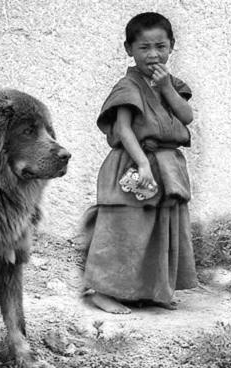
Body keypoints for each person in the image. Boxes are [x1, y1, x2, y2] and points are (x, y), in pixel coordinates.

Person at [82, 12, 198, 314]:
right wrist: (143, 165)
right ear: (128, 49)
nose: (153, 54)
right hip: (132, 165)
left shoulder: (172, 84)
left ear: (172, 46)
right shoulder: (128, 85)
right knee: (124, 229)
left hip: (167, 168)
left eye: (160, 46)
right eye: (144, 47)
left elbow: (186, 117)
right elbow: (122, 129)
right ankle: (101, 291)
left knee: (158, 228)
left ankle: (150, 290)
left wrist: (166, 89)